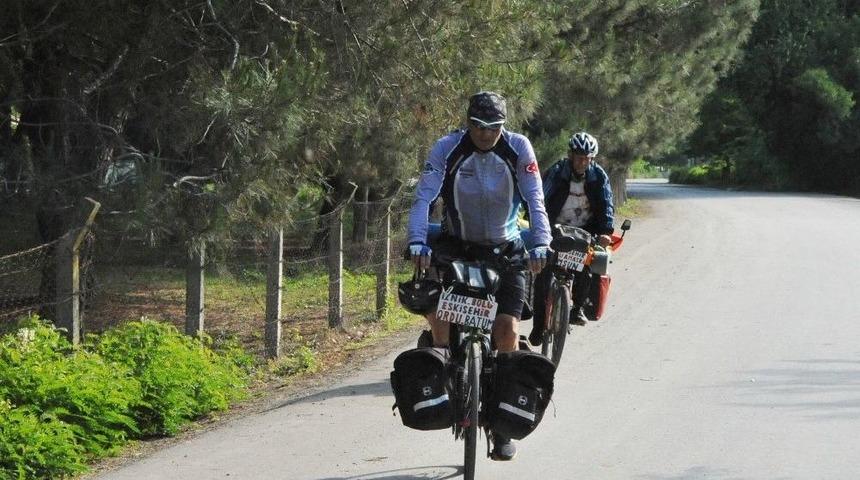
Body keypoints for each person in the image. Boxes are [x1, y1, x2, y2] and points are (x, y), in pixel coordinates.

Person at [406, 91, 552, 461]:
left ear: (504, 126)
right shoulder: (447, 147)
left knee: (506, 331)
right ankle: (441, 373)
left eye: (494, 128)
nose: (486, 135)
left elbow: (535, 199)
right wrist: (418, 240)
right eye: (478, 126)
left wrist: (540, 243)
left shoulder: (518, 148)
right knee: (439, 313)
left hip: (506, 250)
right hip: (457, 245)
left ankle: (501, 430)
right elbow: (424, 197)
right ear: (467, 122)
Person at [528, 131, 615, 346]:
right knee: (543, 276)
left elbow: (606, 204)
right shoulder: (557, 172)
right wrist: (539, 227)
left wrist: (605, 230)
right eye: (578, 157)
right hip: (554, 228)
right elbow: (540, 197)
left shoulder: (599, 176)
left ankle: (577, 309)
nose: (582, 162)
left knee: (586, 267)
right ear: (570, 155)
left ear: (592, 158)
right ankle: (538, 326)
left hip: (586, 229)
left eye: (586, 158)